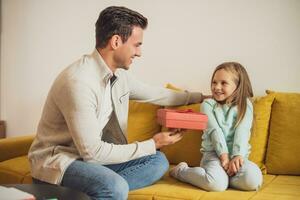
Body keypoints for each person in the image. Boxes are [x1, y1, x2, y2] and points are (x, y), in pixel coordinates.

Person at [28, 6, 206, 200]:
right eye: (136, 44)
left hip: (90, 161)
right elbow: (93, 153)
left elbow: (156, 94)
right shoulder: (79, 82)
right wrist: (153, 142)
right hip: (60, 161)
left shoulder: (119, 78)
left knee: (158, 161)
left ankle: (92, 191)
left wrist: (199, 97)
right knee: (115, 187)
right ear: (115, 41)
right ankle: (103, 189)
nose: (139, 53)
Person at [170, 62, 263, 191]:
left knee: (254, 180)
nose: (217, 87)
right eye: (214, 82)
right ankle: (181, 171)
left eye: (223, 83)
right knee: (216, 185)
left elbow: (243, 130)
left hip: (238, 157)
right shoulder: (208, 105)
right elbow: (214, 131)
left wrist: (237, 156)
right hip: (213, 155)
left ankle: (225, 177)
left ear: (238, 86)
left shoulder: (245, 104)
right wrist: (224, 157)